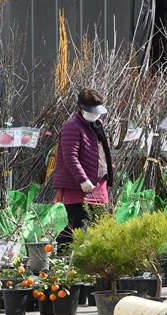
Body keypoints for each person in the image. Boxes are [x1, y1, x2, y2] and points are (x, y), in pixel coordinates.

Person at [53, 88, 113, 249]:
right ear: (80, 108)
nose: (94, 114)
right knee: (77, 223)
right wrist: (83, 179)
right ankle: (57, 253)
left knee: (98, 223)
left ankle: (91, 262)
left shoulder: (97, 125)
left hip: (98, 182)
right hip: (77, 184)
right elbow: (70, 156)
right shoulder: (71, 127)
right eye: (90, 111)